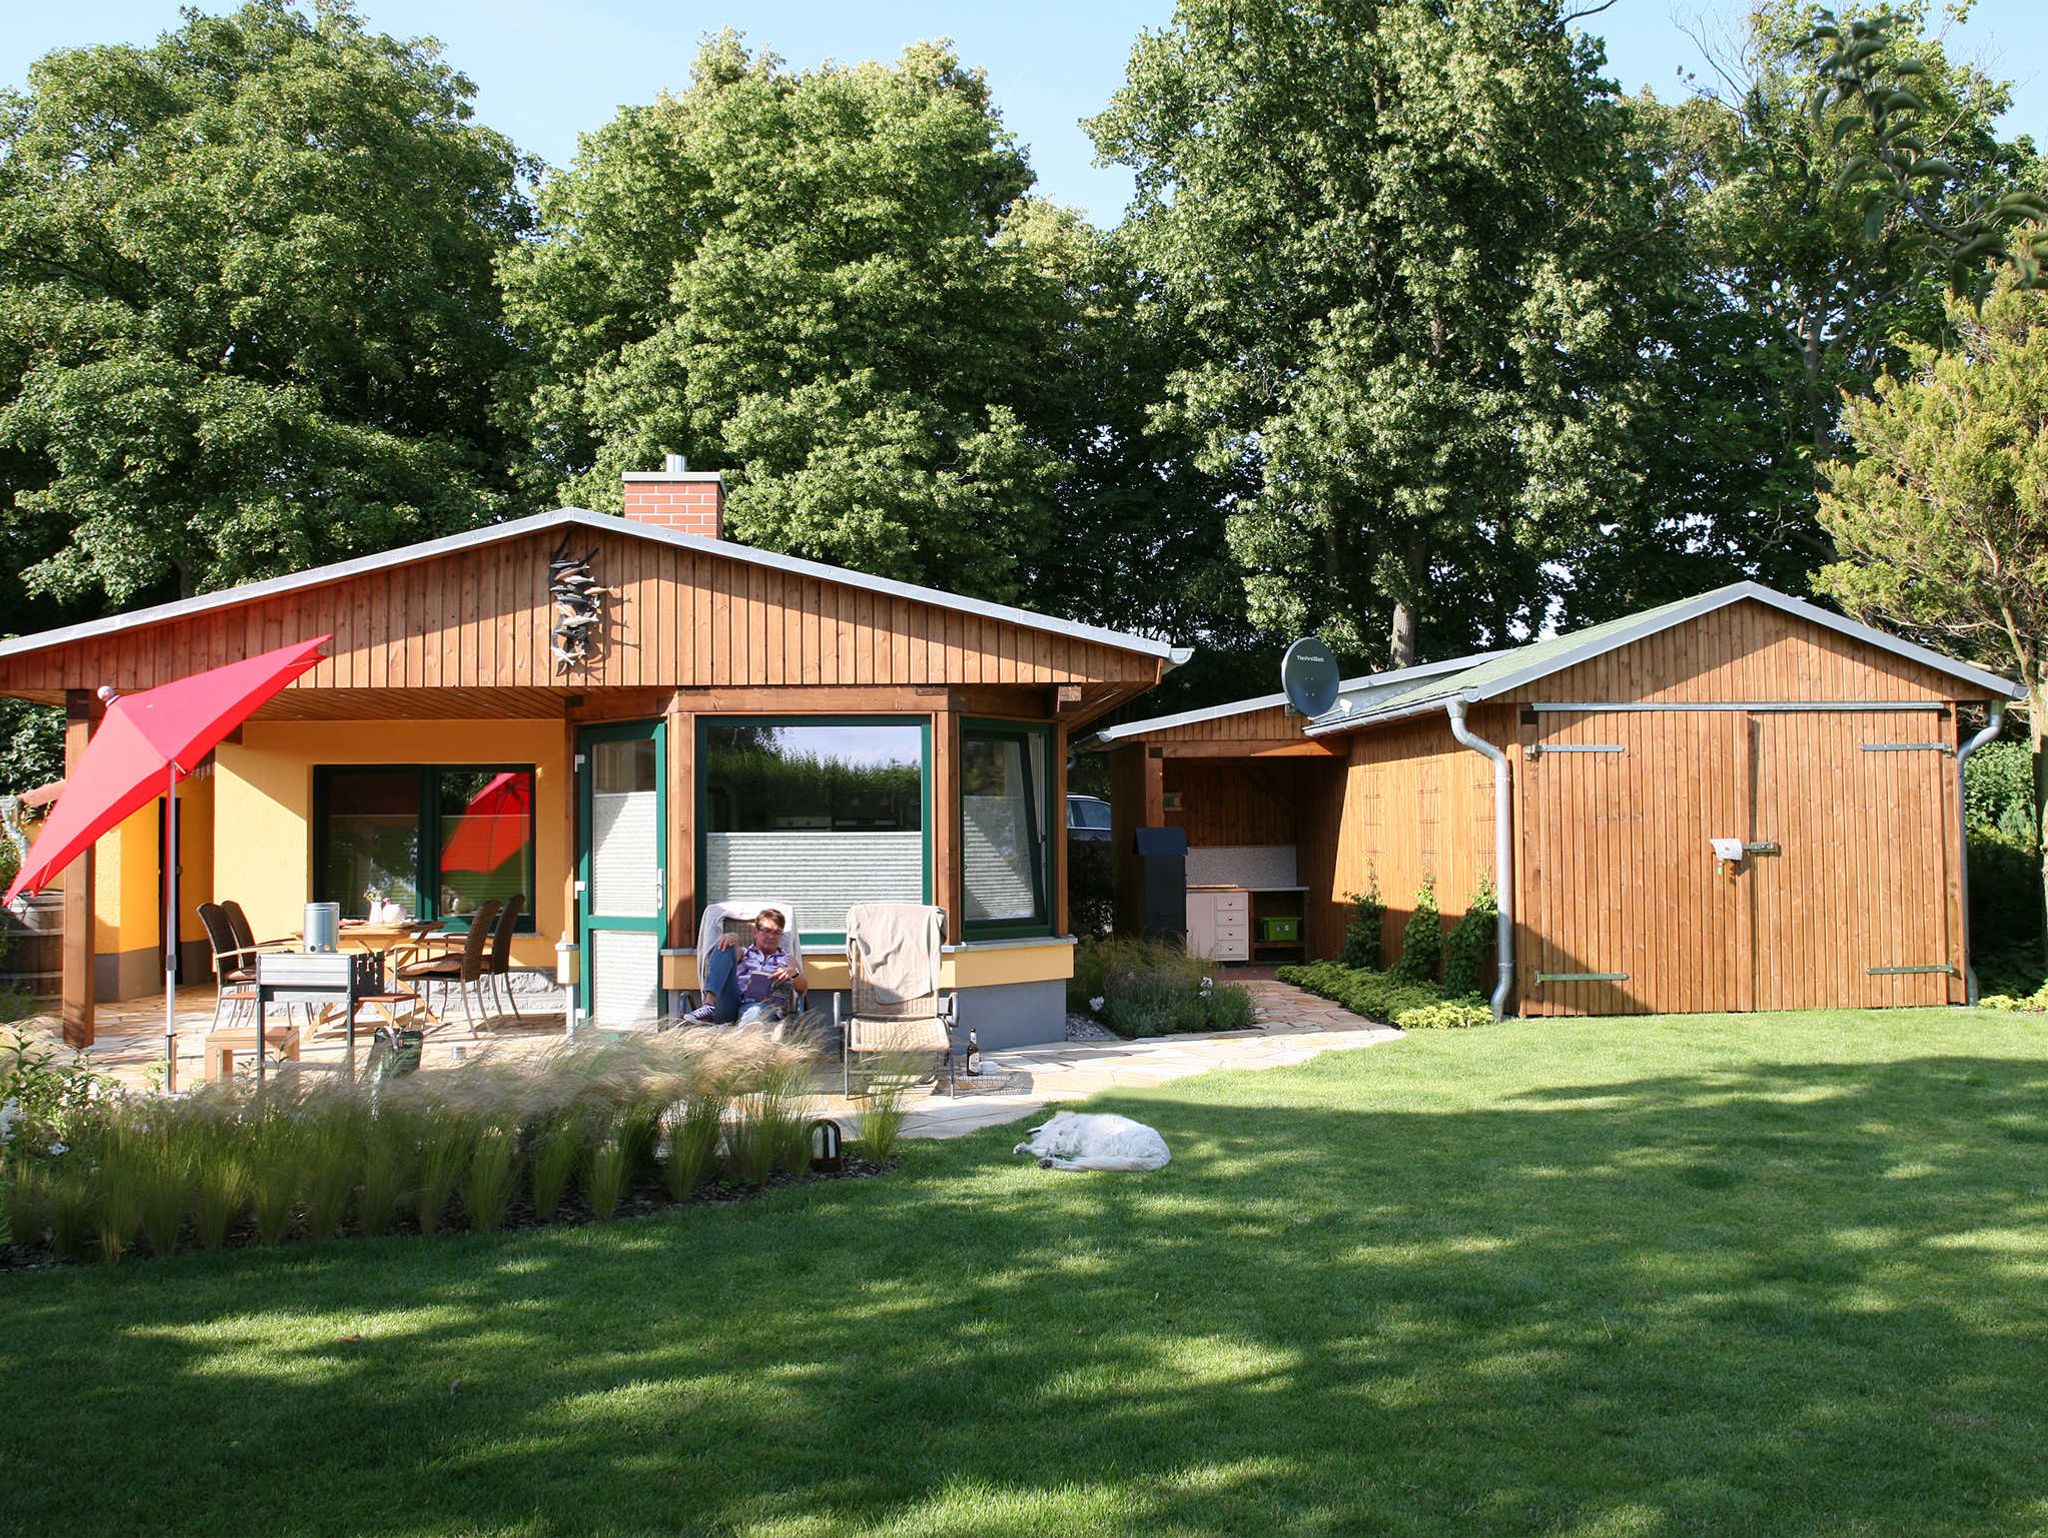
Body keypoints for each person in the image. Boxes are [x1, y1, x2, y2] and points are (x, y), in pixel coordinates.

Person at [690, 908, 803, 1025]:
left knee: (755, 1011)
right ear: (755, 933)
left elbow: (803, 987)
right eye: (766, 930)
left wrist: (793, 972)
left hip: (764, 1007)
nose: (771, 936)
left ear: (781, 936)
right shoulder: (743, 953)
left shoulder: (787, 959)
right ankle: (708, 1006)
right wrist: (732, 940)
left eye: (776, 932)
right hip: (731, 1005)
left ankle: (740, 1034)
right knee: (724, 946)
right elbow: (726, 956)